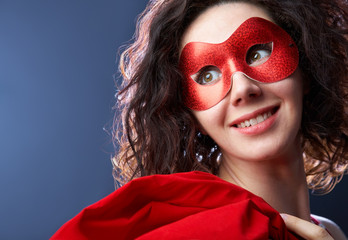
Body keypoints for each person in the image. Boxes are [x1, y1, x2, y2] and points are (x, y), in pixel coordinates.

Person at [52, 0, 348, 239]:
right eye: (207, 75)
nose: (243, 89)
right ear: (188, 113)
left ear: (307, 67)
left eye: (258, 52)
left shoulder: (327, 231)